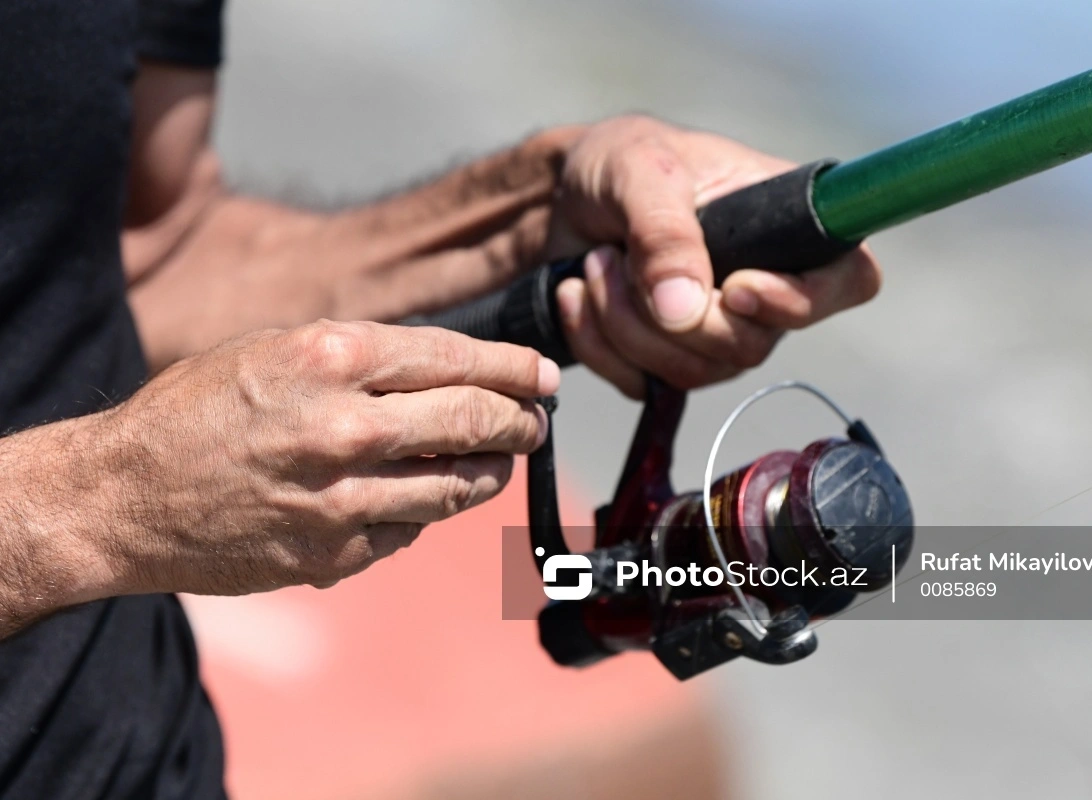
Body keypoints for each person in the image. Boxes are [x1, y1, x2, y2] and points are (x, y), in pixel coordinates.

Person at [0, 0, 881, 797]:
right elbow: (99, 492)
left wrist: (535, 222)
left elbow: (152, 252)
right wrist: (100, 504)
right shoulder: (106, 503)